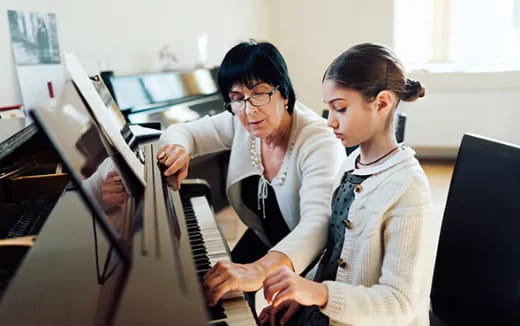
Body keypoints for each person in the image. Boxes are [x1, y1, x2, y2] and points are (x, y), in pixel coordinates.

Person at [259, 43, 441, 326]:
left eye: (340, 109)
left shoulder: (407, 188)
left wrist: (317, 293)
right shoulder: (351, 162)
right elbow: (334, 253)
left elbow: (399, 303)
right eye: (328, 110)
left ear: (382, 103)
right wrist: (300, 292)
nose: (330, 122)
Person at [157, 41, 345, 309]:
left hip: (312, 262)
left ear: (284, 93)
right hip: (264, 238)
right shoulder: (240, 122)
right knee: (216, 291)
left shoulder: (318, 141)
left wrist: (258, 271)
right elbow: (183, 132)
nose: (249, 110)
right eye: (237, 98)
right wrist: (176, 150)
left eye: (259, 94)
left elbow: (317, 225)